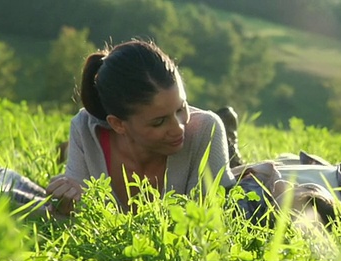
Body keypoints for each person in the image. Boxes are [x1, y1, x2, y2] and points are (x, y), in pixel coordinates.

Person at [45, 39, 236, 215]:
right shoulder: (85, 130)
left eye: (181, 108)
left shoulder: (205, 129)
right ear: (118, 124)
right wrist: (64, 207)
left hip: (208, 152)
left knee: (260, 182)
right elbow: (75, 222)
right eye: (159, 122)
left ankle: (230, 146)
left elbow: (205, 222)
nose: (178, 128)